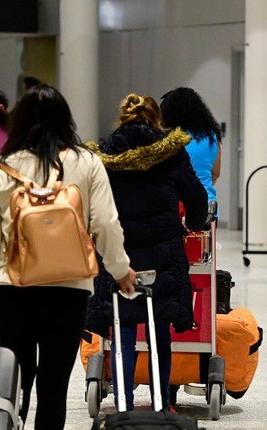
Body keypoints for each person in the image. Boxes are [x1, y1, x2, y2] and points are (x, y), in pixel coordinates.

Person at [0, 85, 135, 430]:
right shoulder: (87, 163)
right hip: (69, 289)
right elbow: (106, 223)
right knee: (54, 386)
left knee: (15, 384)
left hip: (14, 289)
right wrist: (122, 271)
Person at [84, 93, 208, 412]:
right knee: (159, 326)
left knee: (123, 325)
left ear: (123, 118)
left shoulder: (104, 153)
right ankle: (162, 401)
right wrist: (195, 223)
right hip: (163, 252)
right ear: (157, 118)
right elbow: (195, 196)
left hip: (118, 253)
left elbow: (89, 203)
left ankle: (124, 401)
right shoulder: (172, 150)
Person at [160, 87, 222, 205]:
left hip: (176, 205)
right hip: (207, 204)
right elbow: (216, 174)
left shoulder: (170, 138)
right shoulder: (212, 136)